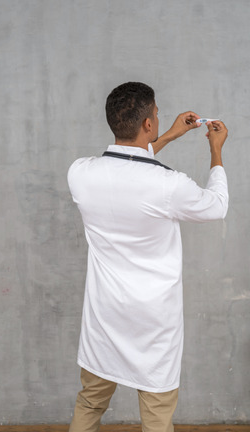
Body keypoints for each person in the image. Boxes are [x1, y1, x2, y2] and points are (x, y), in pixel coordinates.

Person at [67, 82, 228, 432]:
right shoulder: (169, 185)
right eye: (156, 115)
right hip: (153, 323)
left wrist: (168, 136)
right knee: (156, 418)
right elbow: (216, 206)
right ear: (148, 124)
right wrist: (216, 151)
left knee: (90, 402)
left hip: (104, 317)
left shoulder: (80, 172)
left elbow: (127, 165)